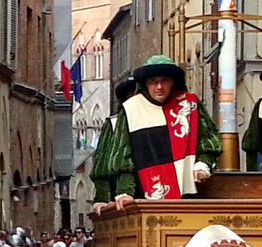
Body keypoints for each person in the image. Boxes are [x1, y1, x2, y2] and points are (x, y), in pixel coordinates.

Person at [90, 56, 221, 205]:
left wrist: (202, 164)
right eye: (153, 81)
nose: (159, 86)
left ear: (173, 82)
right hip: (144, 195)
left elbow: (208, 140)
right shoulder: (131, 109)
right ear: (146, 83)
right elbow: (123, 157)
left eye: (164, 80)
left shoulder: (190, 104)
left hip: (190, 193)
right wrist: (125, 191)